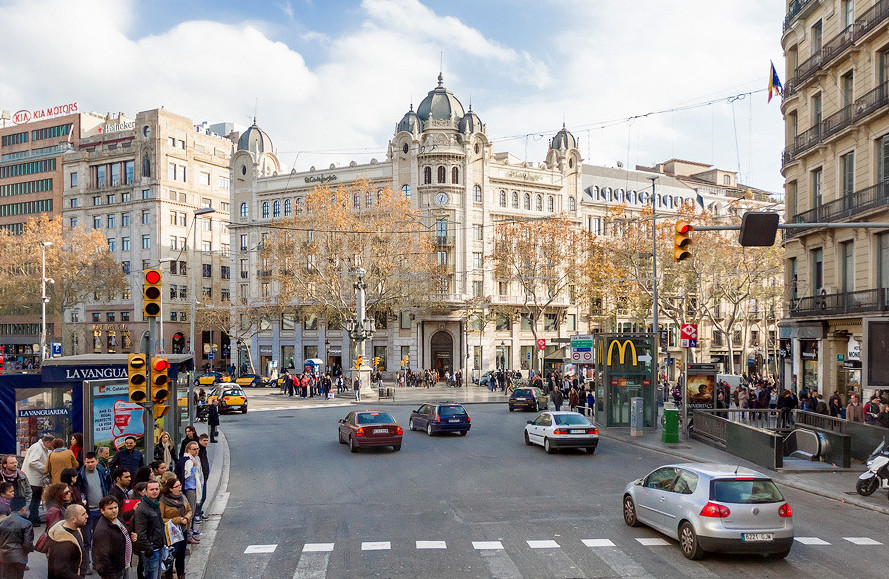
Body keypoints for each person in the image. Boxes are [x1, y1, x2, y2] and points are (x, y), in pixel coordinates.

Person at [78, 452, 111, 575]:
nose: (90, 464)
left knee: (98, 539)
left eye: (92, 462)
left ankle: (97, 563)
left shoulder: (102, 472)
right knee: (86, 541)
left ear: (96, 461)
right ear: (84, 462)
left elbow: (107, 486)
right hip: (87, 512)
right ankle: (86, 565)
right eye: (88, 462)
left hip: (100, 511)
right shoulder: (81, 475)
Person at [91, 496, 133, 579]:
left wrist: (130, 536)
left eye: (115, 507)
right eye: (110, 509)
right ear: (102, 511)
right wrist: (111, 576)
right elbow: (102, 557)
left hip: (124, 565)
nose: (114, 510)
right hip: (115, 571)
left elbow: (121, 535)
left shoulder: (118, 518)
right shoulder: (103, 530)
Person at [159, 477, 192, 579]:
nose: (180, 488)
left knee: (181, 556)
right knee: (170, 556)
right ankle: (169, 576)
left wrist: (186, 518)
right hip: (171, 533)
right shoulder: (163, 501)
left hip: (183, 530)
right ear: (170, 489)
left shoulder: (182, 497)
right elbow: (161, 518)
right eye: (177, 486)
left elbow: (189, 510)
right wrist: (175, 520)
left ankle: (181, 575)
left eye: (180, 485)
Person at [46, 504, 88, 579]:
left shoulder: (76, 529)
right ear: (73, 519)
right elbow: (61, 571)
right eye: (83, 514)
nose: (87, 516)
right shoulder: (63, 544)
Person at [133, 481, 165, 579]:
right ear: (145, 492)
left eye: (157, 489)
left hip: (159, 547)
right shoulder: (142, 509)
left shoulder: (155, 504)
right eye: (151, 489)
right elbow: (140, 534)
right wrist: (149, 549)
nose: (155, 491)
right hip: (152, 551)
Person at [22, 434, 53, 525]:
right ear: (47, 442)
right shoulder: (37, 448)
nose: (51, 446)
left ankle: (34, 517)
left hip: (35, 478)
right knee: (34, 500)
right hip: (33, 479)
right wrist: (45, 469)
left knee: (35, 499)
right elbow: (33, 461)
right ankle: (32, 519)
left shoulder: (41, 448)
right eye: (50, 444)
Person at [175, 443, 203, 542]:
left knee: (193, 510)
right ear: (188, 450)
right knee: (189, 511)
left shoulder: (196, 459)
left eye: (197, 449)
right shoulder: (186, 460)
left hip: (194, 487)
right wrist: (193, 467)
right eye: (194, 449)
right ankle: (188, 535)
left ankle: (190, 532)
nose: (196, 451)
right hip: (188, 489)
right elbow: (185, 475)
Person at [0, 496, 33, 579]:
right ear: (24, 508)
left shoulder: (2, 522)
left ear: (10, 509)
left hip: (4, 557)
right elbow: (27, 544)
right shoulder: (27, 523)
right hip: (19, 558)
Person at [194, 435, 210, 521]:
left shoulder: (203, 450)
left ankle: (199, 511)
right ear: (200, 440)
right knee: (200, 496)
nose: (206, 442)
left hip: (204, 476)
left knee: (203, 496)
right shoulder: (199, 451)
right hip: (200, 477)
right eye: (204, 440)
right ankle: (196, 512)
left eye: (207, 440)